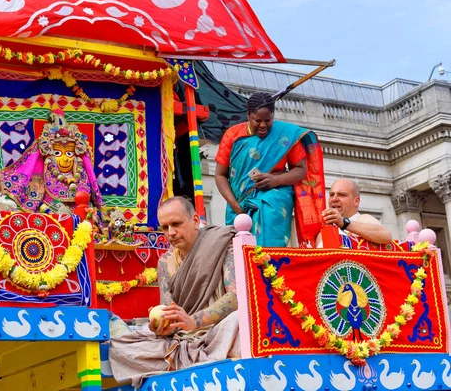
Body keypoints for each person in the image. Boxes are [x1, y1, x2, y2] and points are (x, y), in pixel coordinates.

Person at [108, 197, 239, 386]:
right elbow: (169, 309)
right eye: (165, 227)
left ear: (195, 220)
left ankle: (188, 362)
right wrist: (164, 327)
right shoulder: (165, 262)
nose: (171, 233)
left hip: (217, 331)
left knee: (239, 320)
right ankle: (193, 362)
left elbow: (235, 297)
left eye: (176, 224)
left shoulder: (222, 242)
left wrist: (194, 321)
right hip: (183, 339)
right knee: (120, 349)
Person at [215, 92, 325, 247]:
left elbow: (300, 170)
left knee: (268, 215)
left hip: (275, 197)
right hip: (238, 203)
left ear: (273, 116)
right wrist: (236, 207)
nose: (263, 125)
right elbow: (220, 175)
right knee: (239, 253)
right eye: (257, 120)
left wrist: (275, 180)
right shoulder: (232, 135)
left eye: (268, 120)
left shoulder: (285, 135)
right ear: (248, 115)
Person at [320, 178, 392, 245]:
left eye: (342, 195)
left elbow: (386, 236)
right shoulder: (322, 228)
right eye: (332, 195)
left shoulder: (362, 219)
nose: (334, 199)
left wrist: (344, 223)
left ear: (356, 201)